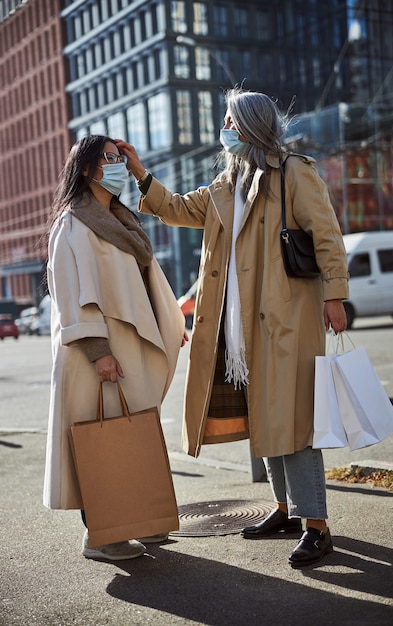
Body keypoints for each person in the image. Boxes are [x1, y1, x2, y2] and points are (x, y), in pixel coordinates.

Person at [116, 86, 349, 568]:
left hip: (287, 319)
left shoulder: (294, 174)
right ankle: (284, 510)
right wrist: (140, 172)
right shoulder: (226, 186)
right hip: (240, 329)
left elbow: (327, 236)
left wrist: (335, 295)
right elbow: (176, 207)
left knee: (296, 421)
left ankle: (317, 526)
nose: (223, 129)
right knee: (268, 414)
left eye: (229, 120)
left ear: (250, 125)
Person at [43, 135, 187, 561]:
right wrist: (97, 350)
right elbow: (71, 295)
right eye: (109, 158)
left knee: (134, 432)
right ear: (86, 169)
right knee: (102, 440)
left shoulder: (121, 219)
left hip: (129, 347)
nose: (118, 164)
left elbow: (140, 282)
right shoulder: (73, 224)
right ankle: (101, 536)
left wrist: (166, 323)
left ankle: (139, 518)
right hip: (98, 353)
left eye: (120, 156)